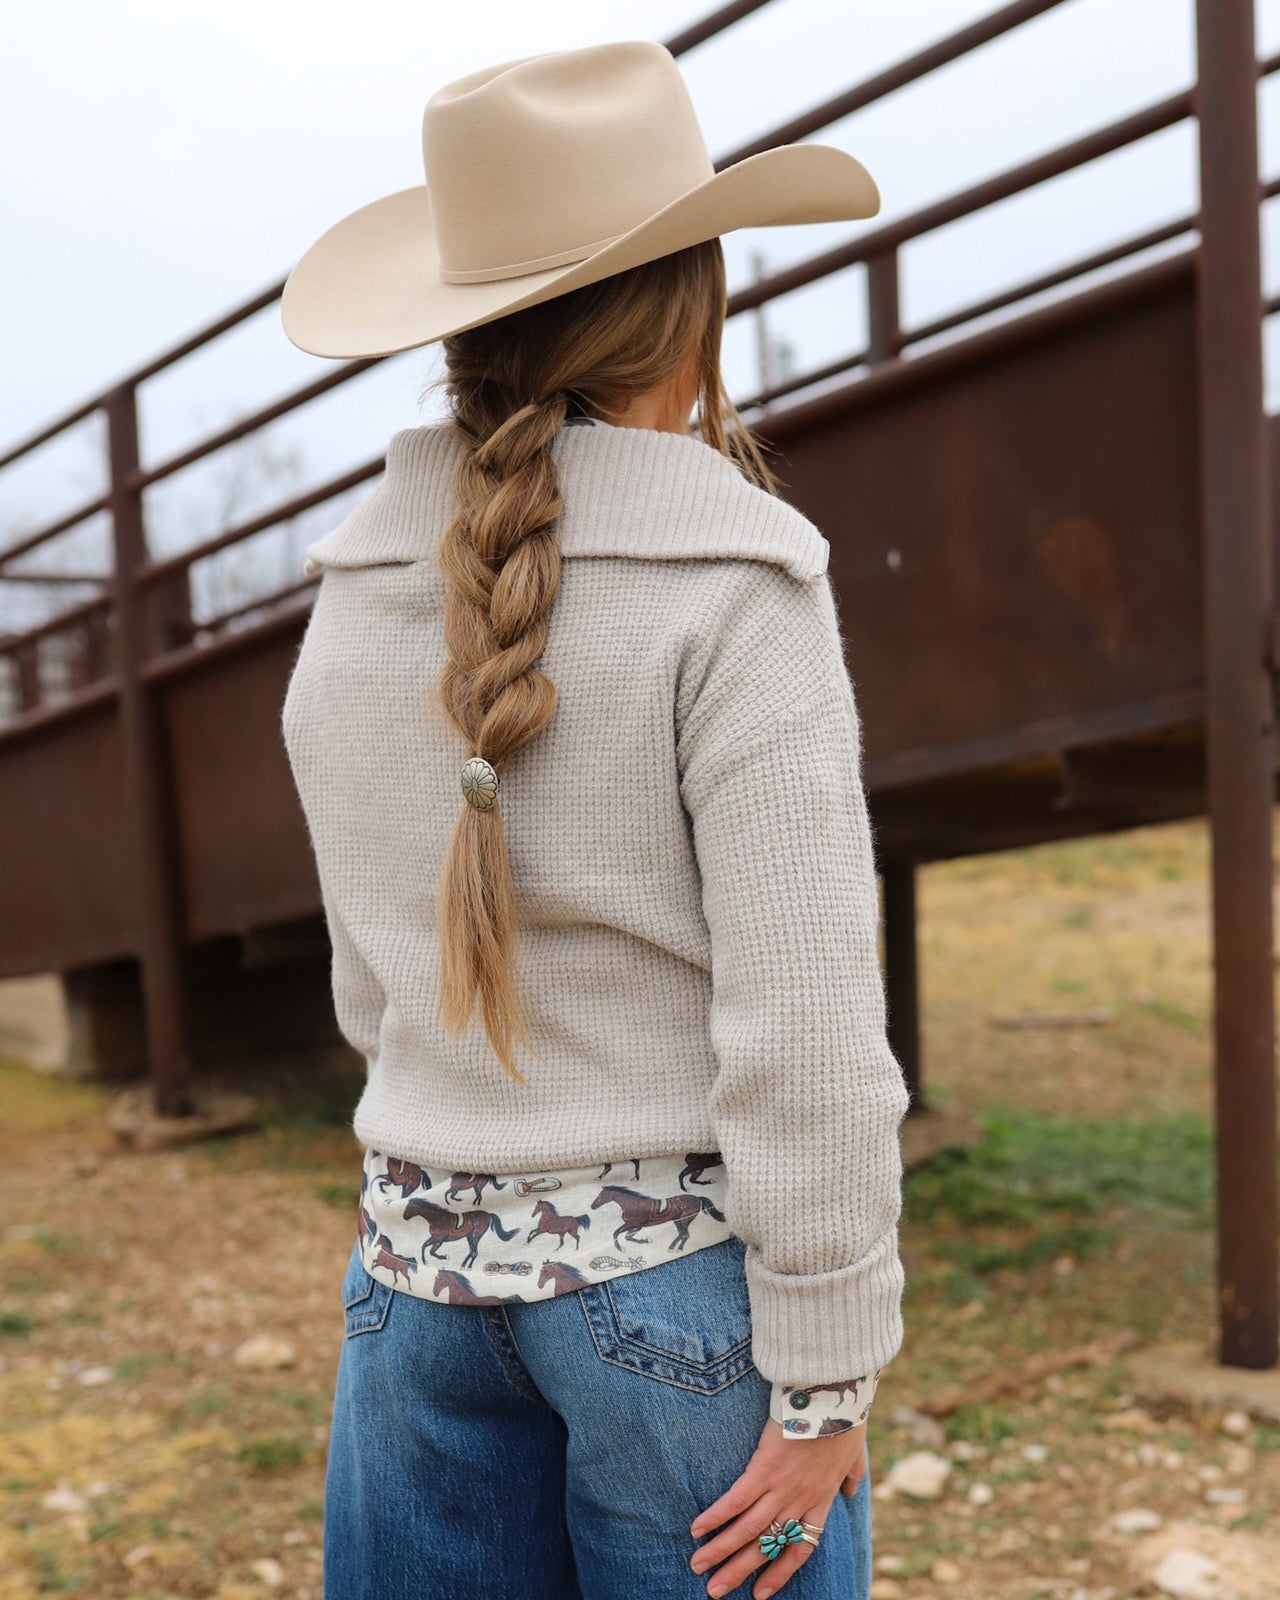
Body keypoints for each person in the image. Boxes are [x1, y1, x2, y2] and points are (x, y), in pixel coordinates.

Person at [279, 36, 911, 1600]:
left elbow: (377, 988)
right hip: (673, 1307)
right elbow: (809, 1018)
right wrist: (827, 1376)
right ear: (690, 306)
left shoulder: (352, 594)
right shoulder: (737, 583)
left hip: (408, 1294)